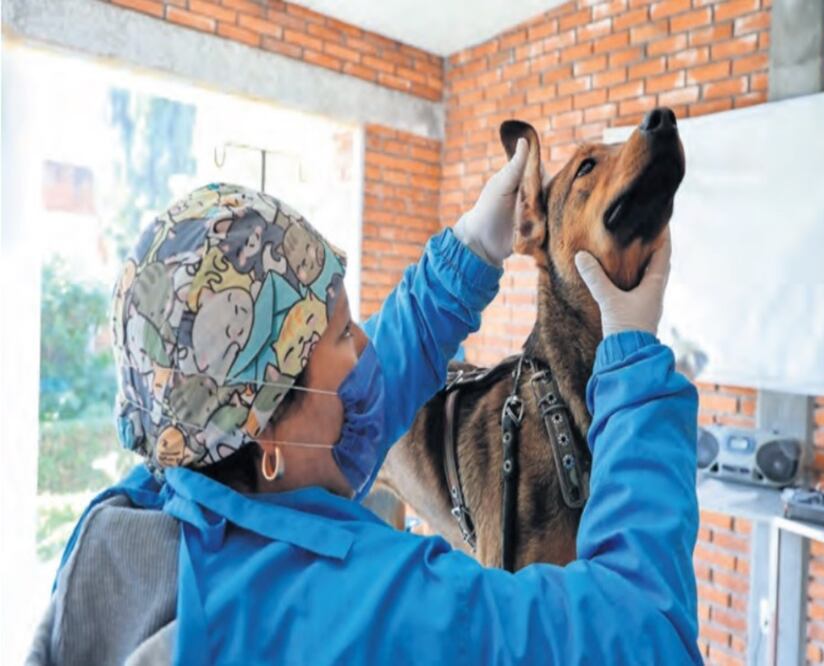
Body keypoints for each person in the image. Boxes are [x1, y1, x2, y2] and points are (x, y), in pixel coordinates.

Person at [27, 138, 701, 665]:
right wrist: (636, 365)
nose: (364, 348)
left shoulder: (180, 483)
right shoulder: (355, 618)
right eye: (344, 334)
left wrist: (471, 248)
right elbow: (644, 635)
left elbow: (376, 375)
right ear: (268, 428)